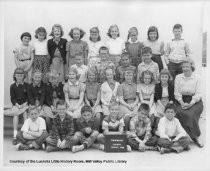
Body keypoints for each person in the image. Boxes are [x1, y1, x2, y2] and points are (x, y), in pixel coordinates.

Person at [174, 58, 203, 147]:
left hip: (195, 101)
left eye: (187, 66)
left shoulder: (197, 78)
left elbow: (198, 94)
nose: (185, 68)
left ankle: (196, 137)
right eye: (183, 66)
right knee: (178, 113)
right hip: (181, 100)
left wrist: (191, 103)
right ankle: (194, 137)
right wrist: (182, 103)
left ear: (192, 67)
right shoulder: (178, 77)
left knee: (190, 114)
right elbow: (177, 93)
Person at [5, 68, 29, 145]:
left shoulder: (27, 85)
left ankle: (25, 135)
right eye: (18, 76)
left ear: (24, 76)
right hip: (16, 105)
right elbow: (13, 98)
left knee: (25, 114)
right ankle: (15, 136)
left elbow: (29, 96)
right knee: (15, 115)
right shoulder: (12, 86)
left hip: (25, 105)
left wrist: (25, 103)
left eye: (21, 76)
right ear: (15, 76)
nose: (19, 77)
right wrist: (17, 105)